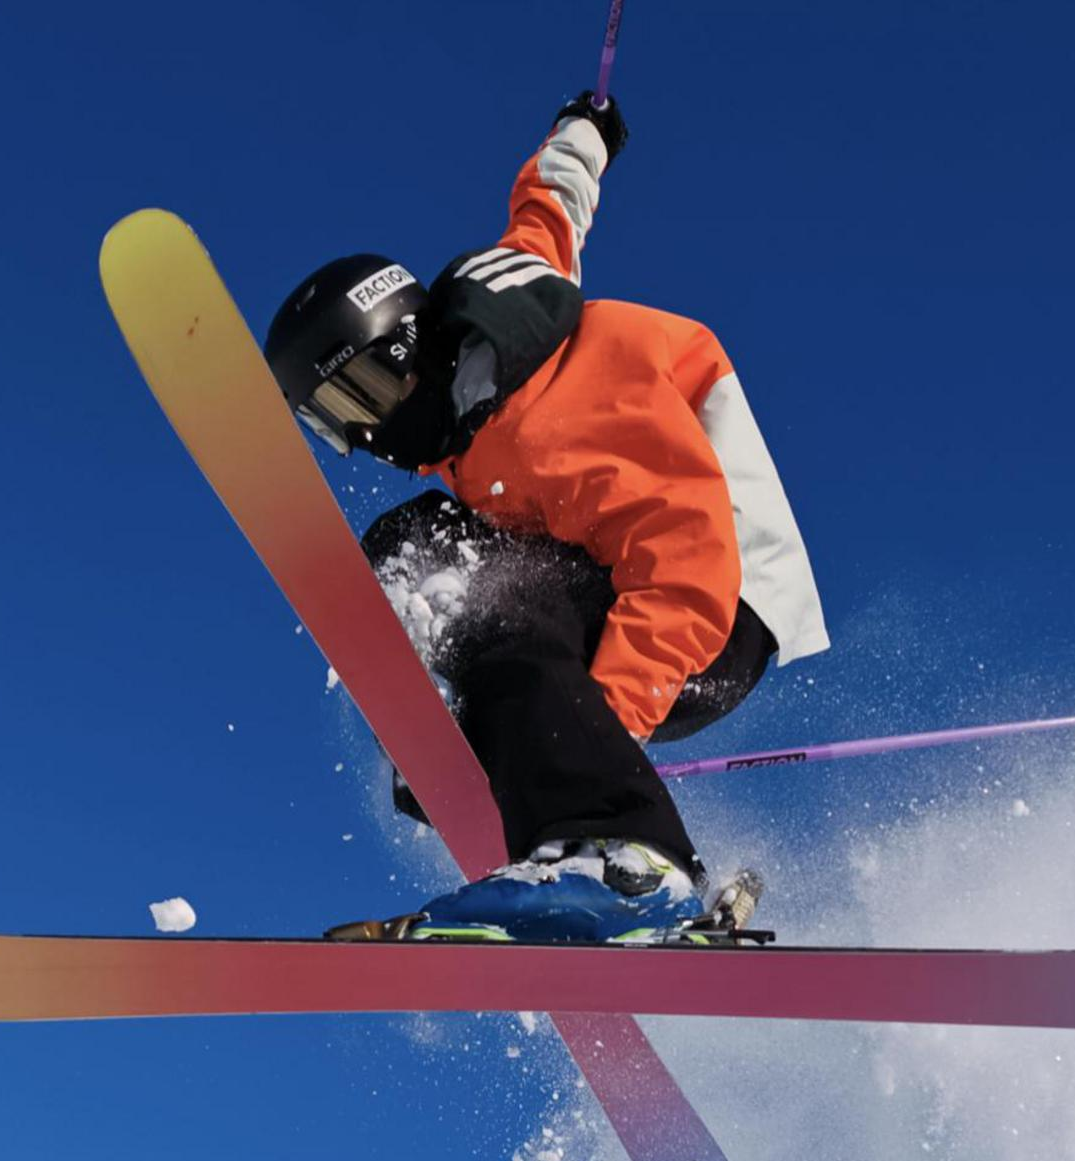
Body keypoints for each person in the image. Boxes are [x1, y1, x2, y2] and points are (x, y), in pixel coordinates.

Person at [264, 92, 827, 943]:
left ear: (403, 348)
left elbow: (685, 571)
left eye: (357, 395)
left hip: (717, 615)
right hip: (610, 600)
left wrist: (593, 732)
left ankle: (623, 858)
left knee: (486, 590)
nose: (361, 431)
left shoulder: (572, 418)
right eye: (330, 424)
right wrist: (583, 137)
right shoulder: (498, 321)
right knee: (418, 548)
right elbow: (548, 211)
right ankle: (552, 808)